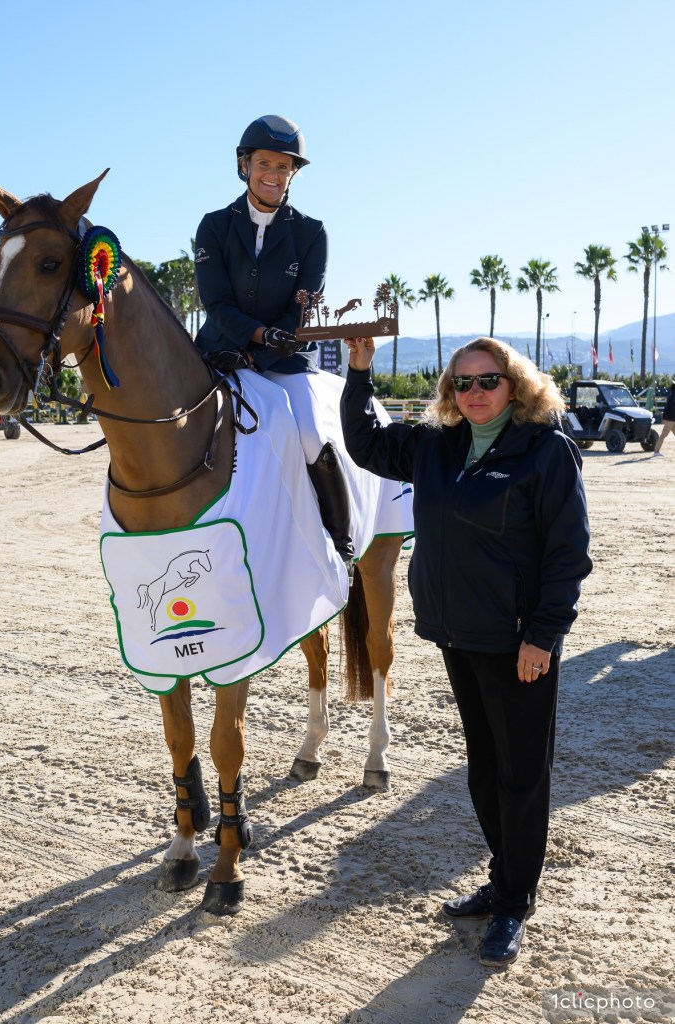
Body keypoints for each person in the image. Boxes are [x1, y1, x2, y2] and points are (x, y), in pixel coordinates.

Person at [341, 336, 592, 968]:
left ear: (517, 386)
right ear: (449, 392)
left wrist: (543, 635)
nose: (475, 394)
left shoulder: (545, 451)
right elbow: (367, 444)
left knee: (521, 775)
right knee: (484, 768)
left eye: (488, 381)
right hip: (458, 634)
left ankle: (514, 903)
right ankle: (502, 879)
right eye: (463, 384)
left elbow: (568, 553)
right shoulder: (437, 446)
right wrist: (360, 372)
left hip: (517, 643)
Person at [193, 114, 355, 574]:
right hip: (221, 350)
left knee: (309, 432)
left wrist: (270, 343)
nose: (273, 174)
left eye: (284, 167)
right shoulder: (213, 226)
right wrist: (255, 336)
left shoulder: (312, 232)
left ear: (293, 174)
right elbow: (217, 301)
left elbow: (306, 305)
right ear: (245, 165)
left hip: (286, 358)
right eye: (264, 163)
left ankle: (339, 541)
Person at [653, 382, 675, 455]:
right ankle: (656, 451)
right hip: (671, 419)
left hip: (672, 419)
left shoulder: (672, 396)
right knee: (663, 435)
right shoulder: (673, 397)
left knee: (663, 435)